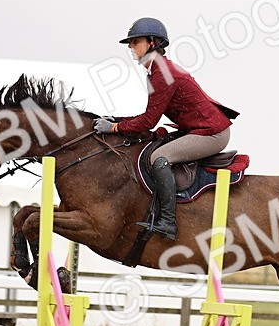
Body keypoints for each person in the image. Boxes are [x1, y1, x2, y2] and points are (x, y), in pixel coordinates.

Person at [93, 17, 237, 240]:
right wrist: (117, 120)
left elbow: (148, 122)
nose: (130, 46)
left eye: (135, 41)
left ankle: (168, 222)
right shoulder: (157, 71)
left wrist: (114, 127)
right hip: (197, 129)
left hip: (212, 133)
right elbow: (148, 116)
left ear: (152, 42)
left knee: (159, 158)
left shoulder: (162, 72)